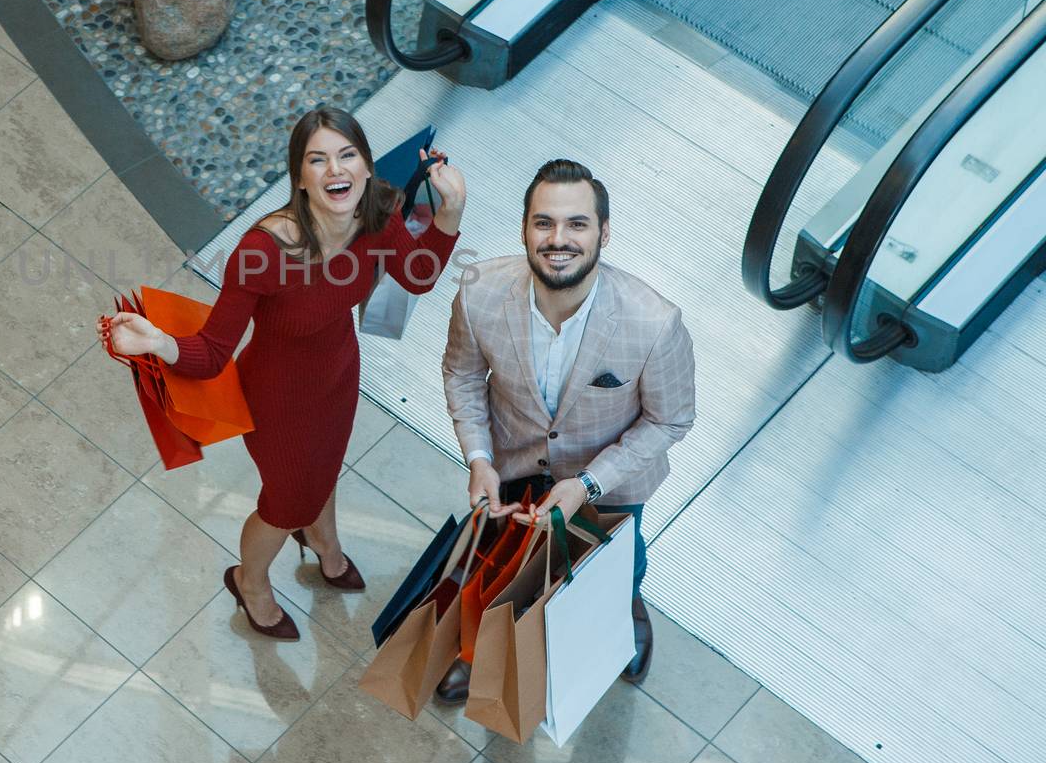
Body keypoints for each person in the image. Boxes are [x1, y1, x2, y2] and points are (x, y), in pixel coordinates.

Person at [106, 107, 466, 640]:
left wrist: (450, 212)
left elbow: (417, 277)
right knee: (285, 503)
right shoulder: (262, 252)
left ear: (367, 166)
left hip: (338, 379)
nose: (334, 170)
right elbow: (211, 353)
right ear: (299, 177)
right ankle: (249, 580)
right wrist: (157, 342)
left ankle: (324, 542)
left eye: (347, 155)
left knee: (325, 471)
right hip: (277, 401)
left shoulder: (379, 212)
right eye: (316, 160)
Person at [436, 158, 694, 698]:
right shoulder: (479, 292)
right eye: (544, 222)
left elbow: (670, 419)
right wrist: (479, 457)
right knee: (507, 558)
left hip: (608, 484)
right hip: (512, 463)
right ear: (525, 228)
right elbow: (462, 372)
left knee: (619, 560)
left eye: (577, 224)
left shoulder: (655, 322)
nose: (559, 239)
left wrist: (589, 484)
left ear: (604, 232)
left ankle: (625, 609)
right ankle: (484, 644)